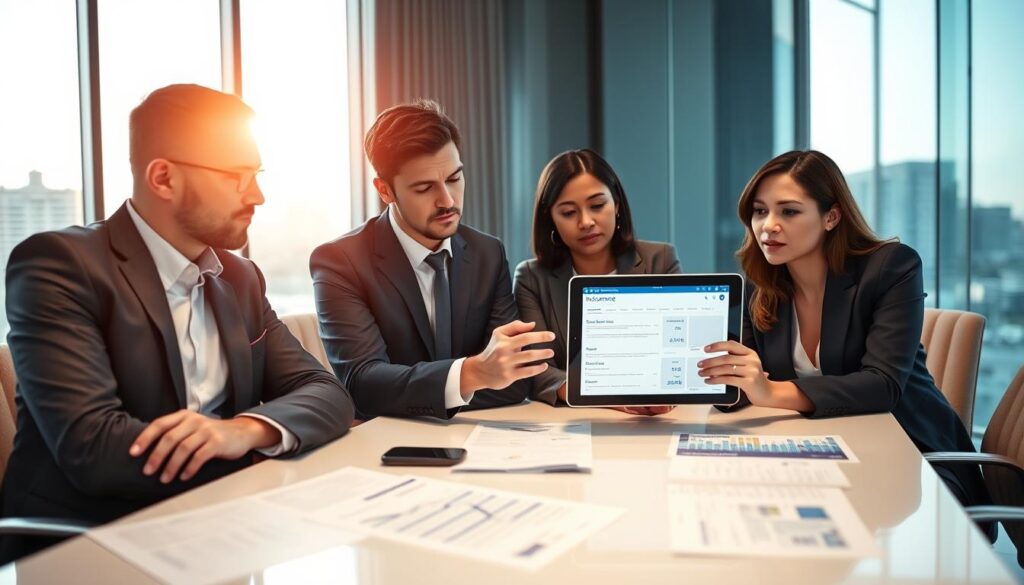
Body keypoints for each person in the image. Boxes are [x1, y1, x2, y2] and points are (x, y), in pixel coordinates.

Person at [1, 84, 355, 561]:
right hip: (84, 541)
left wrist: (246, 430)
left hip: (221, 530)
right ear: (164, 178)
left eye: (257, 174)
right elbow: (96, 452)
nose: (258, 195)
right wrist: (242, 458)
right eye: (237, 176)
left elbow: (325, 391)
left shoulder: (240, 276)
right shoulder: (57, 266)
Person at [699, 149, 988, 508]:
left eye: (788, 211)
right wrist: (694, 383)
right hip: (820, 453)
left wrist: (770, 391)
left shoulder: (890, 268)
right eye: (760, 211)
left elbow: (882, 385)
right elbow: (746, 381)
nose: (768, 225)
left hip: (913, 458)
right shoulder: (762, 283)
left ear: (831, 216)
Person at [310, 100, 552, 420]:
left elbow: (512, 383)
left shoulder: (487, 254)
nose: (447, 201)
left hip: (477, 441)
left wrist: (420, 390)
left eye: (454, 178)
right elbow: (364, 384)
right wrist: (472, 374)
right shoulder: (340, 262)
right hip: (383, 446)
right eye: (425, 188)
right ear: (385, 190)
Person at [515, 149, 680, 414]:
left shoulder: (659, 260)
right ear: (551, 219)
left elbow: (677, 353)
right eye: (568, 212)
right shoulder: (531, 278)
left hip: (655, 417)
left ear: (616, 203)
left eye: (597, 205)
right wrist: (613, 399)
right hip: (572, 420)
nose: (586, 222)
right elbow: (535, 371)